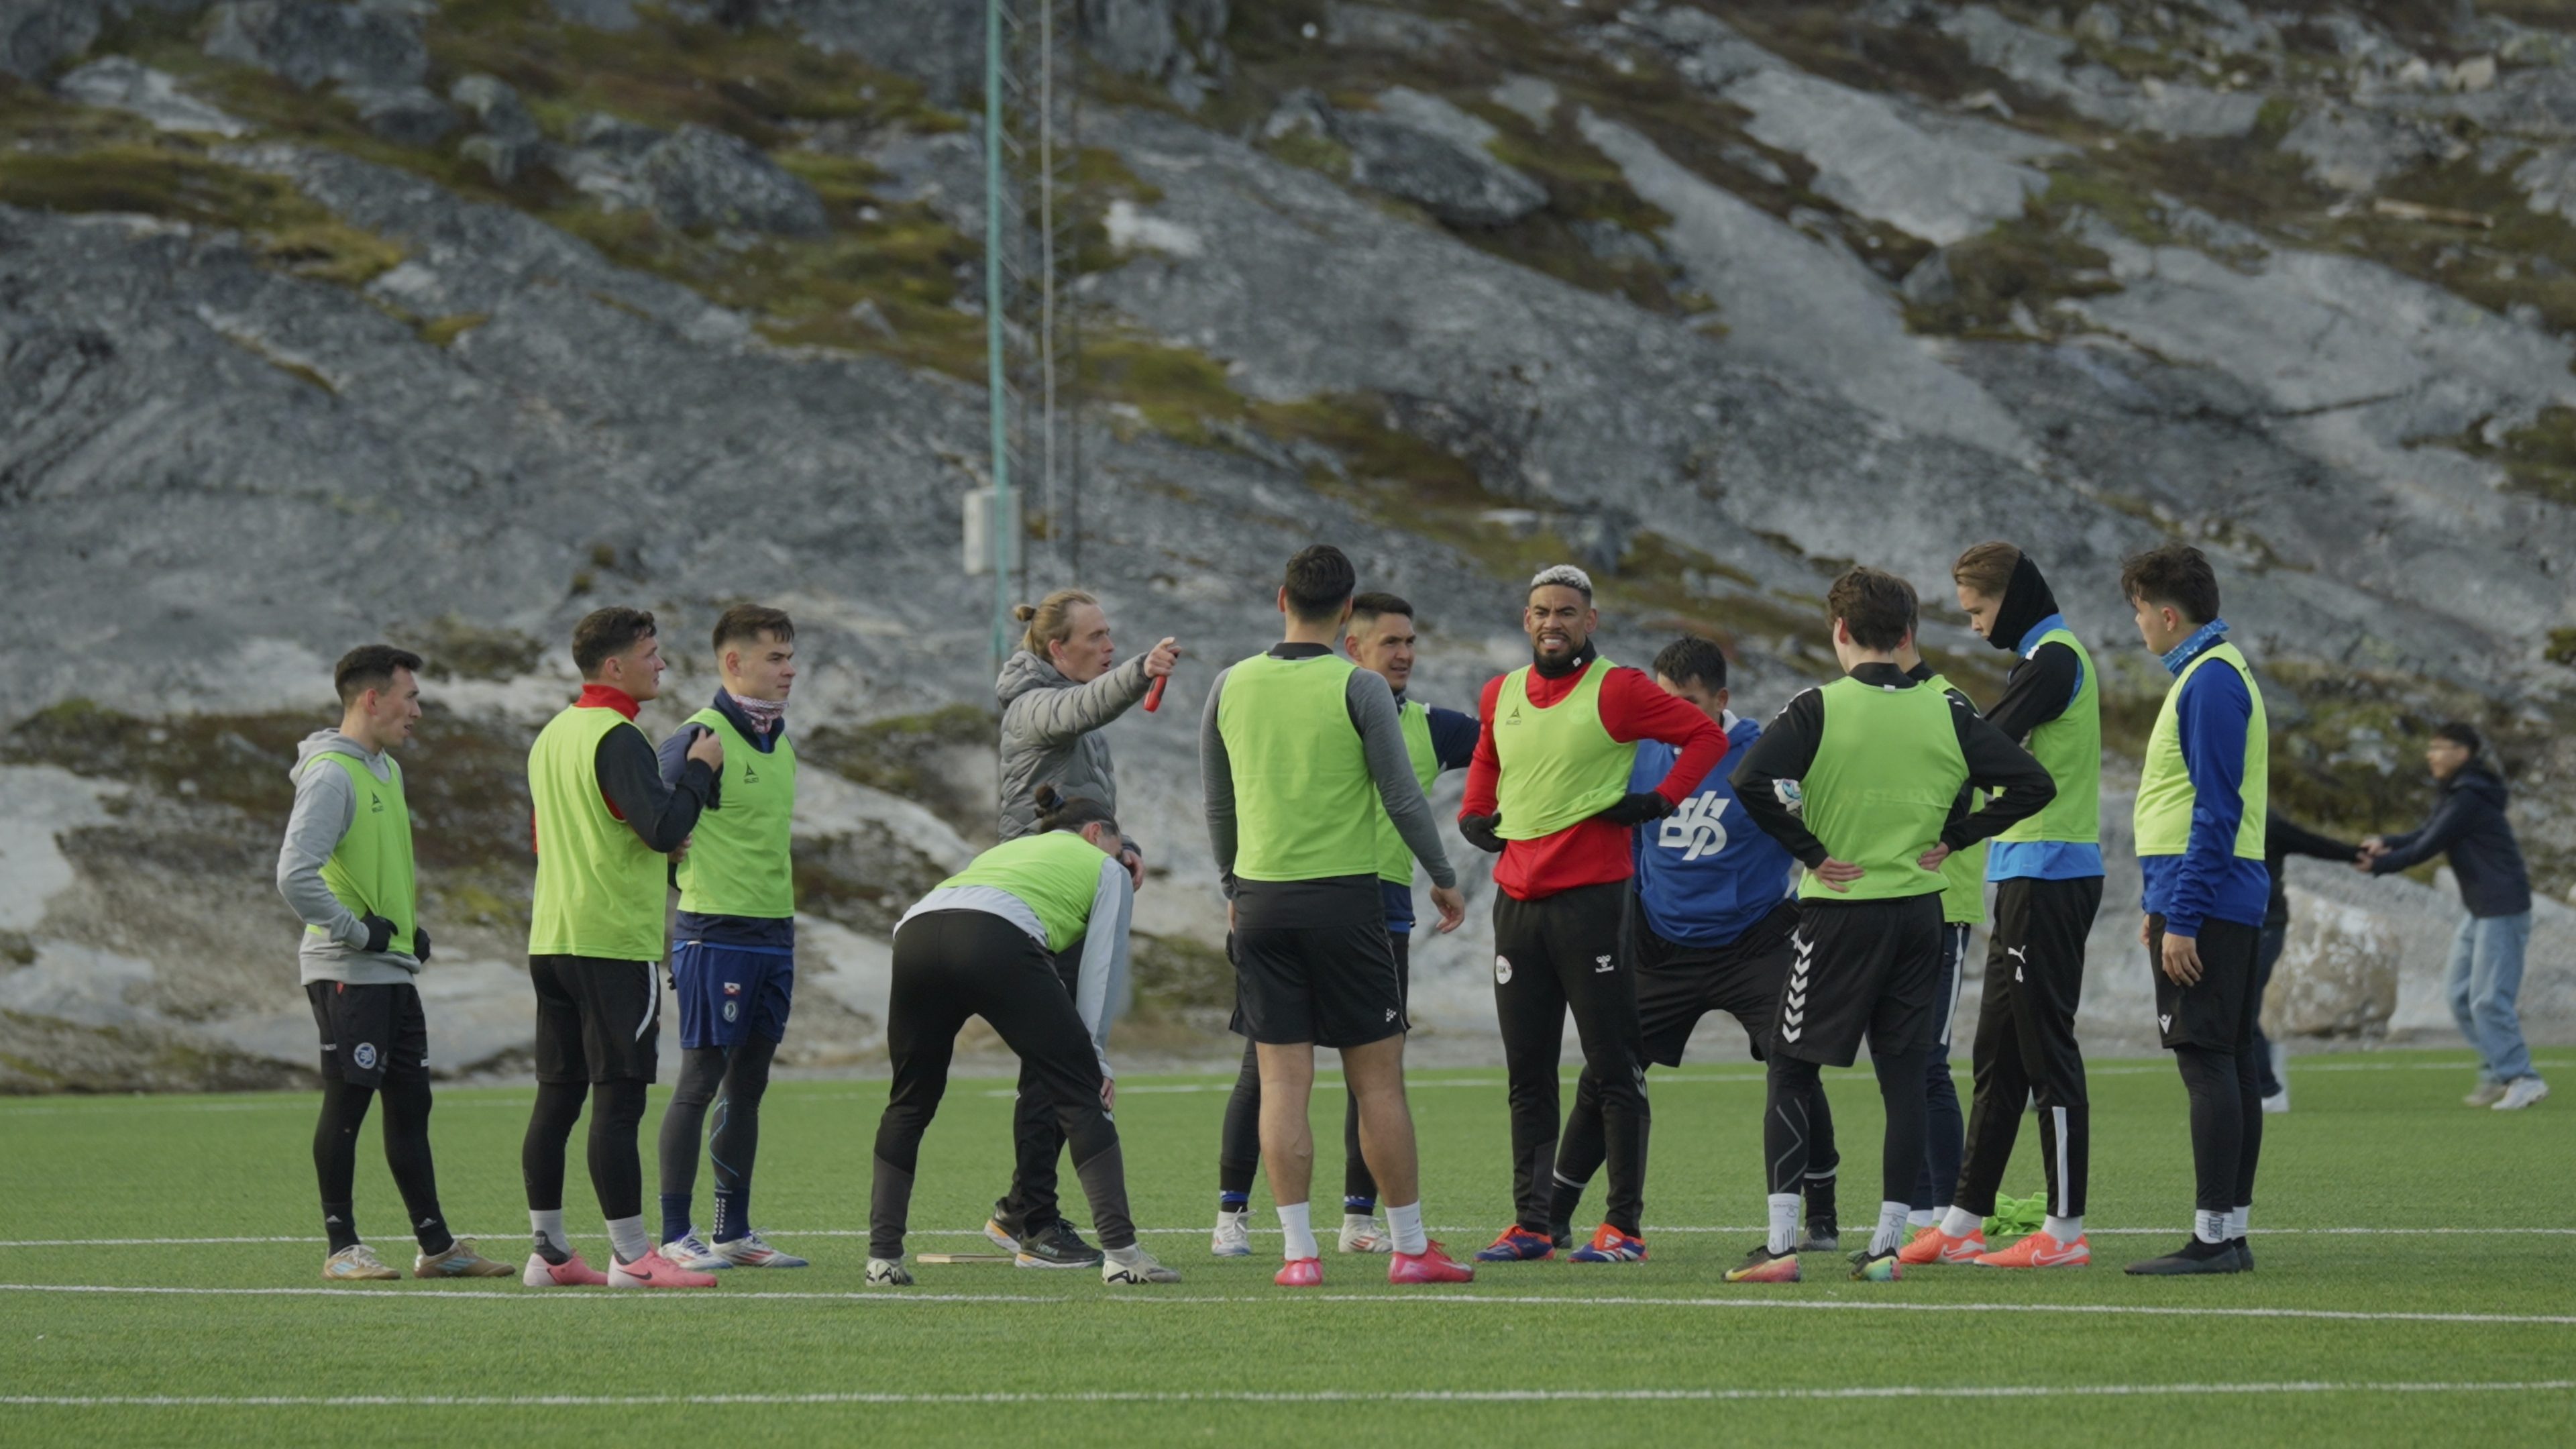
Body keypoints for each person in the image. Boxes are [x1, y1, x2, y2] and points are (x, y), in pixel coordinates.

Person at [1726, 567, 2055, 1284]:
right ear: (1908, 636)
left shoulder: (1817, 706)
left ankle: (1781, 1247)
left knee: (1790, 1065)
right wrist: (1960, 836)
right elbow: (2035, 783)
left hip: (1839, 912)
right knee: (1905, 1077)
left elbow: (1748, 780)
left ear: (1838, 631)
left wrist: (1811, 852)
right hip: (1919, 916)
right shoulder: (1947, 708)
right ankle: (1885, 1247)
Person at [1202, 545, 1474, 1287]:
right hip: (1347, 903)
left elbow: (1219, 804)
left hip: (1260, 901)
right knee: (1378, 1083)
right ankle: (1410, 1248)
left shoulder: (1229, 685)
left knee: (1283, 1085)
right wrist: (1444, 878)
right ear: (1347, 612)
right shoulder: (1357, 686)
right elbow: (1402, 797)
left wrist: (1233, 882)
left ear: (1278, 596)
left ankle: (1298, 1255)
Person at [1457, 564, 1729, 1265]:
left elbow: (1706, 737)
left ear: (1590, 621)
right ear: (1527, 620)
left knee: (1613, 1066)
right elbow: (1488, 755)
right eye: (1542, 610)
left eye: (1568, 612)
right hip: (1516, 903)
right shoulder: (1502, 692)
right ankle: (1532, 1226)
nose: (1554, 622)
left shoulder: (1620, 688)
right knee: (1528, 1073)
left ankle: (1624, 1228)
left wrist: (1661, 800)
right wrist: (1473, 814)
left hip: (1594, 902)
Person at [1549, 637, 1842, 1254]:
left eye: (1688, 703)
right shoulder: (1638, 755)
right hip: (1663, 950)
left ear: (1722, 699)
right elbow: (1624, 845)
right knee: (1607, 1075)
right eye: (1663, 701)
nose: (1673, 716)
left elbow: (1818, 837)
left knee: (1795, 1067)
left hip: (1752, 947)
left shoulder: (1767, 755)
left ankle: (1821, 1218)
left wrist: (1799, 911)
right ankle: (1551, 1217)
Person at [866, 786, 1181, 1287]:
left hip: (916, 932)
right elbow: (1101, 970)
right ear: (1096, 833)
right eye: (1120, 849)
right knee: (1080, 1093)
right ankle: (1124, 1257)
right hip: (994, 937)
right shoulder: (1106, 868)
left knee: (908, 1103)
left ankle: (883, 1259)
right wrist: (1093, 1057)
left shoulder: (1006, 850)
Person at [277, 645, 511, 1283]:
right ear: (371, 699)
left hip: (389, 970)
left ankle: (437, 1248)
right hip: (346, 970)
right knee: (348, 1104)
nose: (419, 711)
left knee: (411, 1107)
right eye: (410, 697)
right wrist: (358, 933)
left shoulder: (385, 771)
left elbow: (370, 871)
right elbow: (294, 876)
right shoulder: (330, 773)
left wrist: (407, 933)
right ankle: (341, 1247)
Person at [1905, 542, 2106, 1271]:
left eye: (1981, 610)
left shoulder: (2053, 659)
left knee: (2047, 1051)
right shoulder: (2038, 658)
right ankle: (1962, 1219)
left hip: (2053, 876)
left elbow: (1982, 745)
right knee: (1997, 1054)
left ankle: (2064, 1231)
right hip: (2025, 871)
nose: (1977, 626)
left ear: (2013, 597)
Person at [521, 607, 722, 1290]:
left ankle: (548, 1254)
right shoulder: (619, 734)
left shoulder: (553, 735)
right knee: (619, 1099)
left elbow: (561, 837)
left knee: (557, 1096)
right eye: (652, 652)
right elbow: (663, 828)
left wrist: (653, 828)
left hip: (552, 936)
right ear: (615, 666)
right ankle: (635, 1257)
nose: (662, 663)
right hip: (610, 942)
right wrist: (698, 771)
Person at [979, 590, 1181, 1267]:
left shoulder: (1068, 704)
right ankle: (1032, 1221)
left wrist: (1123, 852)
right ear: (1055, 650)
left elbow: (1081, 810)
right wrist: (1141, 674)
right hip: (1038, 913)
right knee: (1057, 1065)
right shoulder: (1033, 707)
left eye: (1111, 635)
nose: (1108, 646)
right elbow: (1081, 707)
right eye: (1095, 637)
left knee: (1055, 1064)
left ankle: (1019, 1212)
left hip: (1065, 907)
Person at [2119, 543, 2270, 1276]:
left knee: (2207, 1061)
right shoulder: (2218, 671)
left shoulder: (2208, 682)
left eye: (2141, 611)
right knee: (2232, 1059)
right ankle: (2229, 1232)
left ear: (2168, 613)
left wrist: (2182, 915)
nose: (2139, 626)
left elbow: (2214, 807)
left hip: (2206, 897)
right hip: (2214, 892)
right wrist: (2163, 902)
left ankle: (2212, 1239)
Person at [650, 605, 807, 1272]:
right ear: (733, 662)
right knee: (701, 1079)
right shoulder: (699, 736)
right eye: (774, 657)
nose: (789, 669)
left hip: (774, 933)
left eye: (791, 656)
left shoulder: (783, 742)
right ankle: (675, 1234)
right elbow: (652, 825)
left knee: (750, 1085)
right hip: (714, 933)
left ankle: (731, 1231)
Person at [2361, 723, 2546, 1112]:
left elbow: (2427, 847)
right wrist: (2387, 842)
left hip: (2503, 906)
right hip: (2479, 908)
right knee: (2461, 996)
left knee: (2488, 1000)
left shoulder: (2469, 798)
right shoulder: (2457, 793)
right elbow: (2426, 831)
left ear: (2463, 753)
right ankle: (2498, 1070)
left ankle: (2523, 1077)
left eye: (2440, 748)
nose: (2431, 755)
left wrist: (2380, 864)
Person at [1892, 633, 1986, 1252]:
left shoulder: (1948, 704)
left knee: (1928, 1060)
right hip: (1895, 901)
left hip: (1942, 902)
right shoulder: (1890, 703)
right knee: (1905, 1060)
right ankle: (1925, 1212)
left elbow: (1952, 798)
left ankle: (1952, 1219)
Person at [2257, 815, 2363, 1112]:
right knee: (2238, 1011)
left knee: (2242, 1011)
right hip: (2237, 925)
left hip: (2266, 924)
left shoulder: (2265, 821)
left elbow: (2312, 843)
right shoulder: (2212, 811)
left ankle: (2269, 1091)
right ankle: (2263, 1074)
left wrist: (2357, 853)